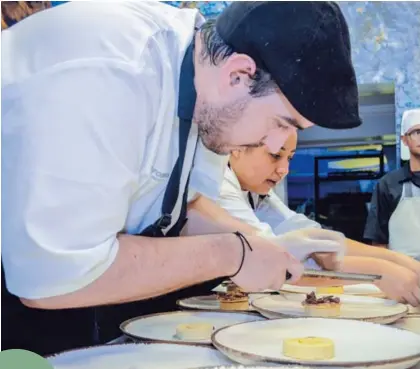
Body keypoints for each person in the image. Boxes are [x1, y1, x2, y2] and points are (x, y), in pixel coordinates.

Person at [2, 1, 360, 354]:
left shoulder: (204, 88)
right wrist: (231, 253)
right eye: (281, 124)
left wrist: (264, 245)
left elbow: (185, 207)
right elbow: (52, 277)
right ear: (238, 74)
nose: (276, 144)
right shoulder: (111, 71)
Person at [216, 130, 420, 305]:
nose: (283, 170)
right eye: (275, 155)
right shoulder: (219, 187)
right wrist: (379, 272)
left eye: (289, 158)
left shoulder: (257, 191)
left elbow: (311, 236)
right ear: (237, 148)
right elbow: (271, 259)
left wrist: (399, 260)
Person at [364, 109, 420, 260]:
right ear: (405, 140)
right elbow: (378, 242)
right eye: (416, 132)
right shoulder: (388, 185)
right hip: (405, 273)